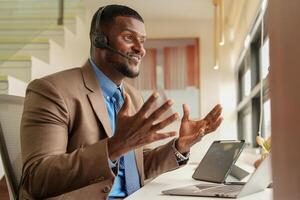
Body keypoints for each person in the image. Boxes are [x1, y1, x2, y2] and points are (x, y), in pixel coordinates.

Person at [19, 4, 222, 200]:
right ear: (99, 40)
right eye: (128, 37)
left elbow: (137, 166)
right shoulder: (52, 91)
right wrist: (113, 147)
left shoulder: (132, 96)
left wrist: (180, 146)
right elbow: (36, 179)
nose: (140, 50)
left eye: (142, 41)